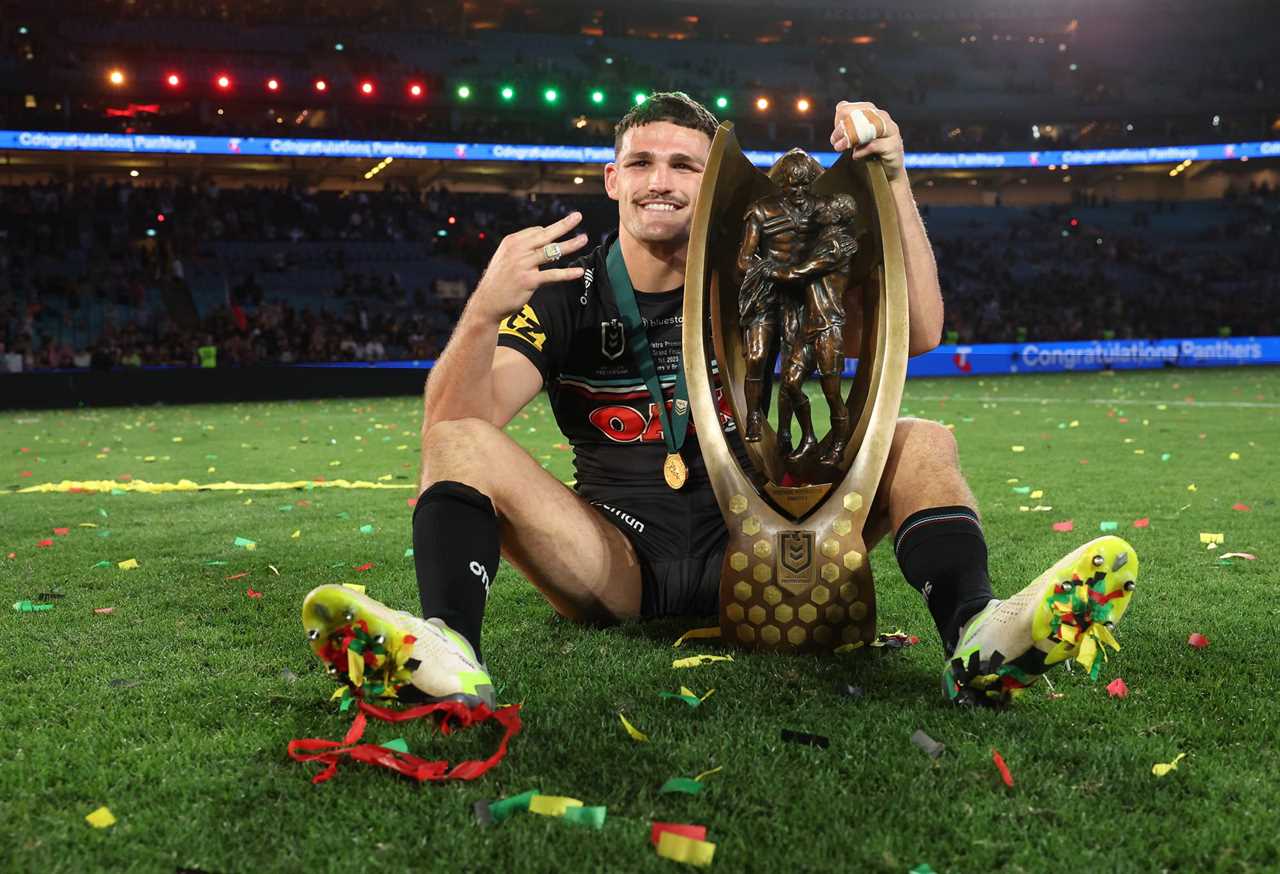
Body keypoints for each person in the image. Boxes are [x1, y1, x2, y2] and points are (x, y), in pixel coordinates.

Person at [300, 93, 1139, 709]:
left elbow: (916, 332)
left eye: (683, 165)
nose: (659, 180)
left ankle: (975, 635)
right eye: (640, 161)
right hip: (617, 561)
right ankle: (448, 649)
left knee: (922, 439)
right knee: (460, 441)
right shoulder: (565, 295)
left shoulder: (756, 276)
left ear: (712, 186)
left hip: (768, 548)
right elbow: (452, 429)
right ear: (611, 179)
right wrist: (483, 308)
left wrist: (894, 179)